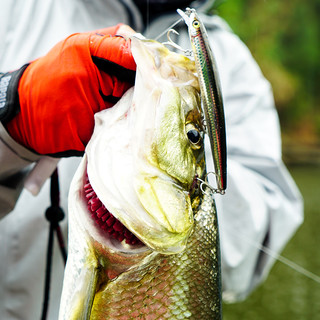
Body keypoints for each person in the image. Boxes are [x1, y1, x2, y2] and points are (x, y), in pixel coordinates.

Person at [0, 0, 303, 319]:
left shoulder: (233, 65)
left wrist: (162, 191)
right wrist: (11, 112)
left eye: (192, 136)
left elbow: (250, 249)